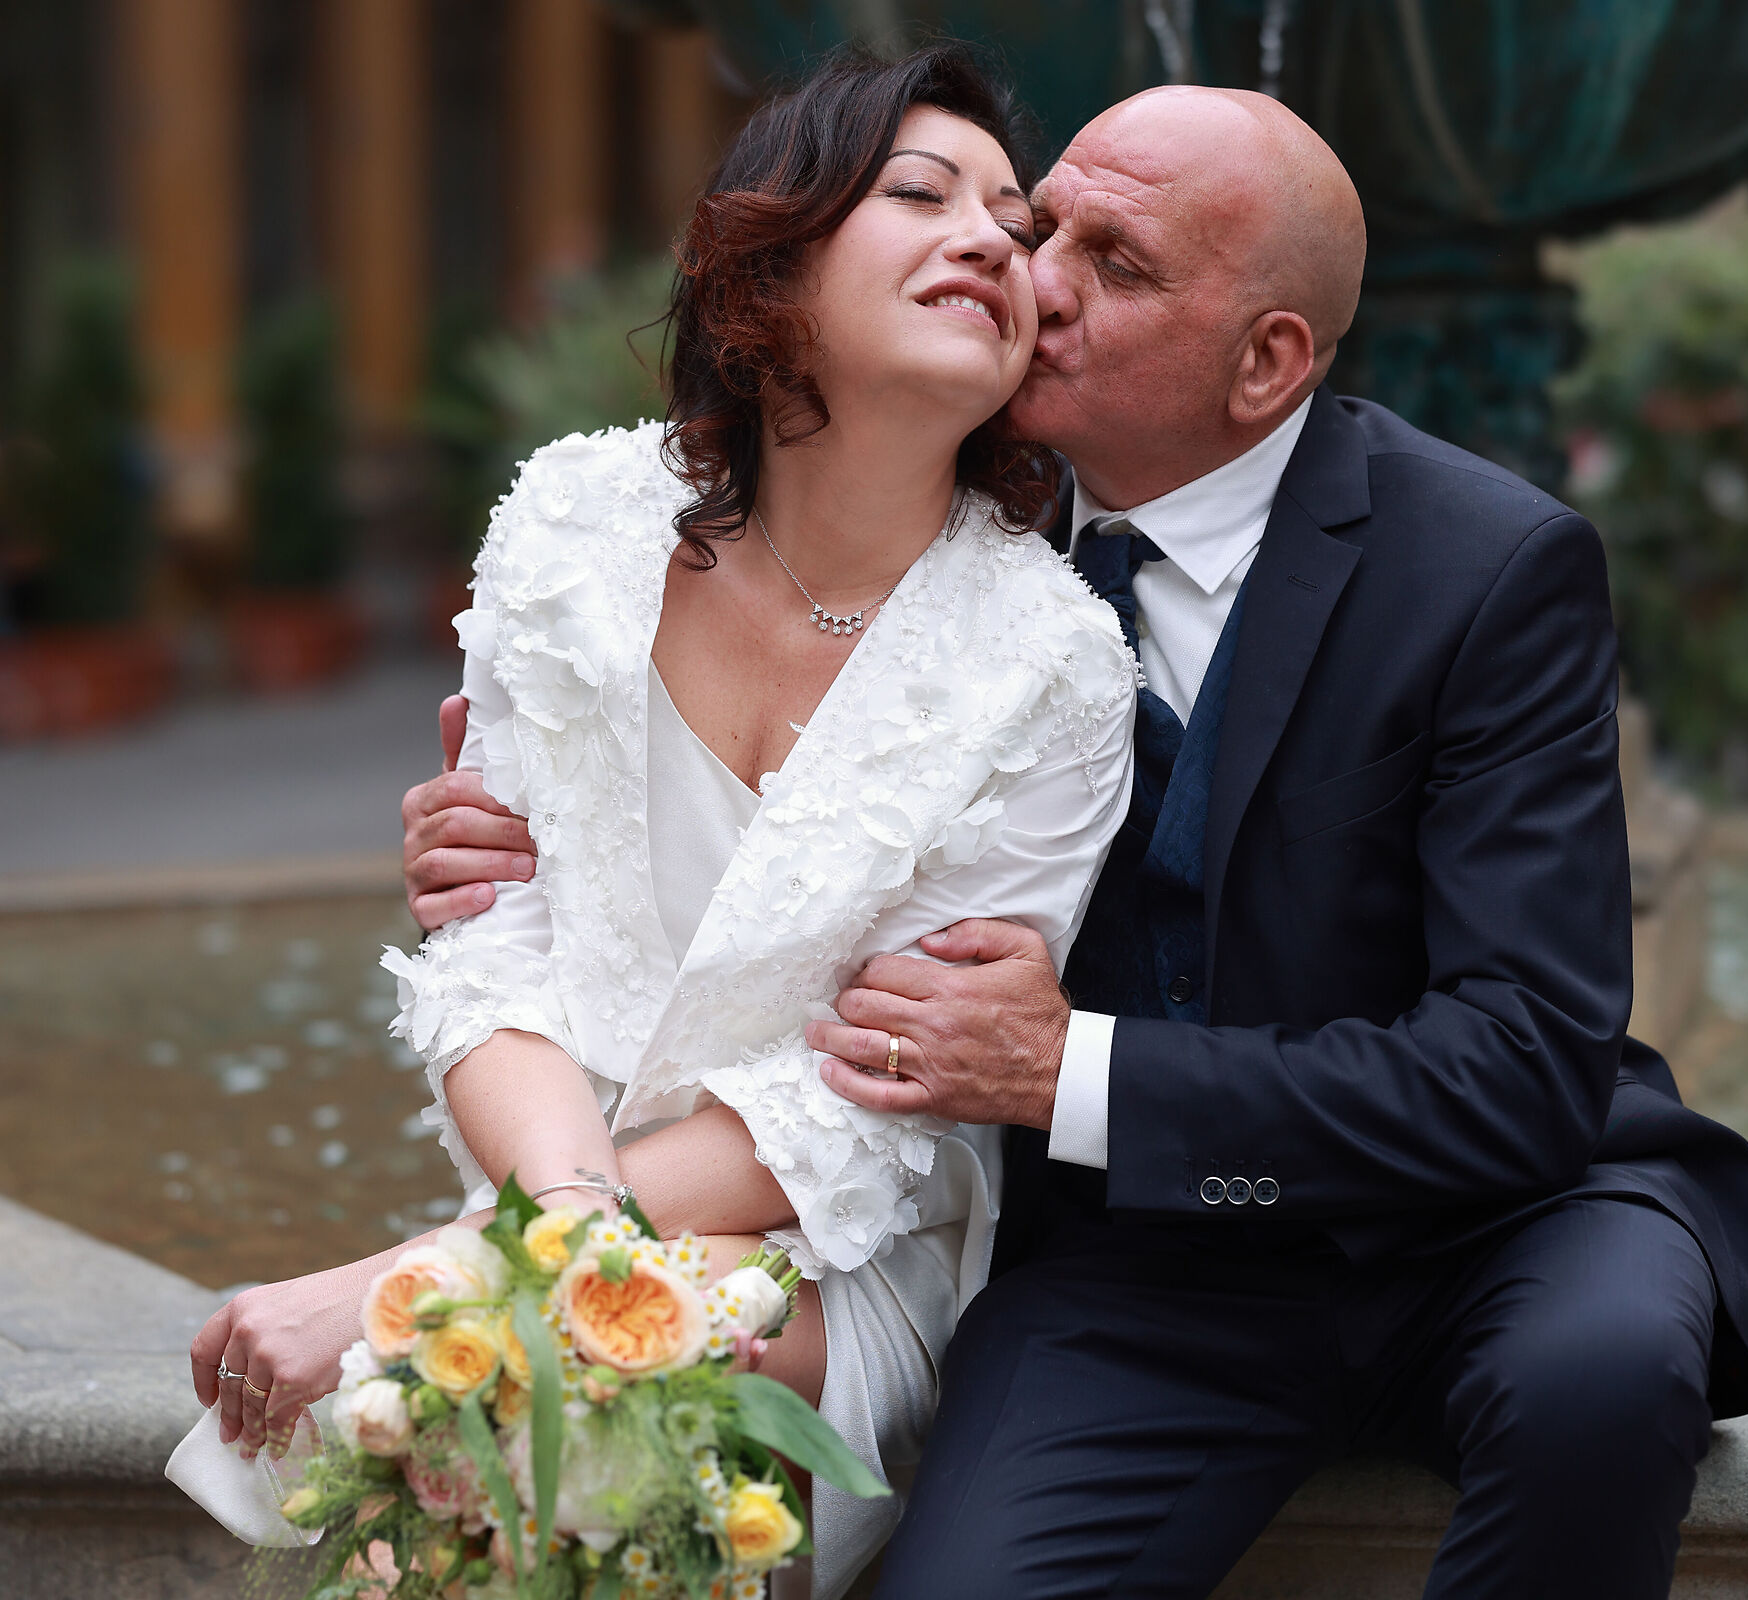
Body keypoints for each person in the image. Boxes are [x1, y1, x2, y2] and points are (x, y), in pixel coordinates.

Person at [406, 84, 1748, 1600]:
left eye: (1114, 265)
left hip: (1497, 1225)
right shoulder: (929, 506)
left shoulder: (1484, 568)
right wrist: (525, 835)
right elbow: (741, 836)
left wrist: (1070, 1072)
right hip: (1138, 1272)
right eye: (1038, 219)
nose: (1030, 274)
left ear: (1266, 365)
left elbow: (1524, 1062)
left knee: (1598, 1383)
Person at [180, 47, 1135, 1599]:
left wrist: (424, 1285)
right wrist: (543, 1242)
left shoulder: (1055, 665)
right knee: (521, 1369)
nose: (989, 238)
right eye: (919, 193)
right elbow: (493, 952)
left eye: (1014, 225)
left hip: (842, 1255)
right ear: (776, 262)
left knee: (601, 1381)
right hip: (569, 1174)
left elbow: (873, 1109)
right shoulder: (574, 524)